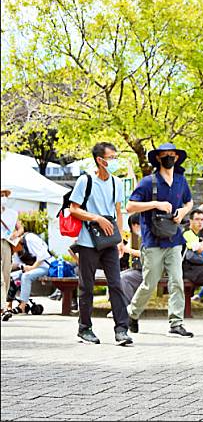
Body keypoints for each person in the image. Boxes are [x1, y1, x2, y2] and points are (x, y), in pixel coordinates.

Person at [125, 142, 195, 338]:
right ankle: (132, 314)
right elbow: (130, 207)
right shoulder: (148, 182)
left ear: (177, 157)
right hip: (153, 240)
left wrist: (182, 211)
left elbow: (189, 201)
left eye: (172, 154)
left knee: (177, 281)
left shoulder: (181, 181)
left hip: (175, 239)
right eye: (165, 155)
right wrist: (155, 204)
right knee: (150, 283)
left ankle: (176, 323)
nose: (169, 158)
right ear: (158, 158)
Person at [68, 142, 132, 345]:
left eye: (115, 157)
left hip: (110, 242)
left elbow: (119, 211)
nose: (115, 161)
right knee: (86, 286)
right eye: (111, 158)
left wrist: (121, 239)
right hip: (88, 242)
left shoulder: (117, 183)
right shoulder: (85, 181)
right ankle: (84, 329)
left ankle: (122, 329)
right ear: (100, 160)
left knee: (116, 284)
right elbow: (74, 209)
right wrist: (97, 218)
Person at [8, 232, 54, 314]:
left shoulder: (30, 238)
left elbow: (43, 254)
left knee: (26, 276)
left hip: (46, 267)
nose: (13, 249)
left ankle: (22, 306)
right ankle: (8, 306)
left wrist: (32, 267)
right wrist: (22, 267)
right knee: (10, 277)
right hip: (32, 269)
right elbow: (17, 264)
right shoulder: (16, 250)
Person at [1, 188, 23, 321]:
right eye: (1, 195)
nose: (3, 197)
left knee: (6, 276)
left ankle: (3, 307)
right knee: (1, 279)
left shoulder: (11, 213)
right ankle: (3, 308)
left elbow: (20, 228)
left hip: (7, 244)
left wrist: (16, 234)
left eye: (4, 195)